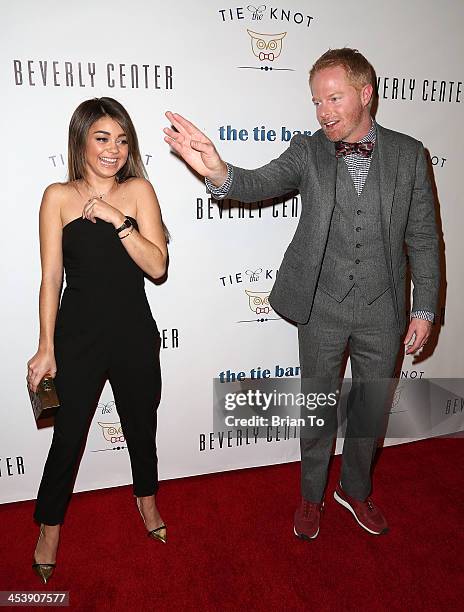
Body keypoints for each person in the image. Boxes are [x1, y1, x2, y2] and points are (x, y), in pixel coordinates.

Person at [163, 48, 440, 539]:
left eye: (333, 98)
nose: (323, 112)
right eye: (316, 102)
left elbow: (422, 237)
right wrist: (216, 169)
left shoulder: (409, 154)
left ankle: (355, 490)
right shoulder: (308, 150)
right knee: (318, 405)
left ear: (365, 94)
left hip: (385, 309)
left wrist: (424, 308)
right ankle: (311, 496)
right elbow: (254, 183)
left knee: (370, 411)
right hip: (322, 305)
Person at [27, 97, 168, 583]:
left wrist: (115, 217)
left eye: (122, 139)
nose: (113, 149)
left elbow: (157, 266)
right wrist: (46, 345)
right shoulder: (57, 196)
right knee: (66, 439)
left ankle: (146, 501)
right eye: (102, 138)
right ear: (81, 139)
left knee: (139, 427)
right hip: (78, 338)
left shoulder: (139, 192)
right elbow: (50, 280)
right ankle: (49, 528)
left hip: (133, 334)